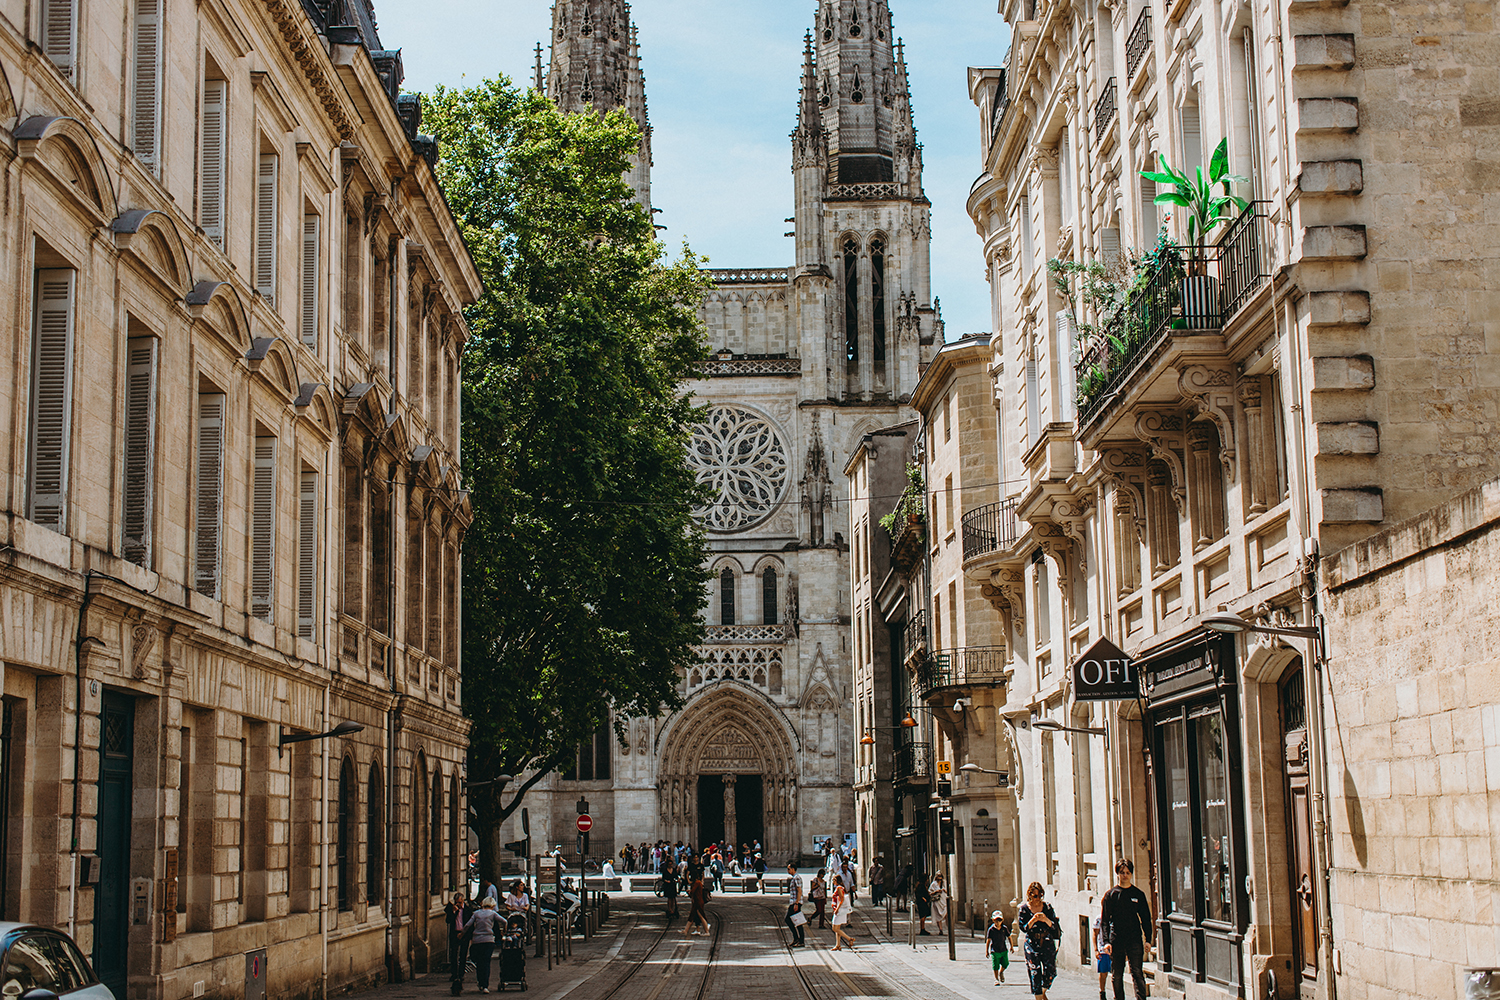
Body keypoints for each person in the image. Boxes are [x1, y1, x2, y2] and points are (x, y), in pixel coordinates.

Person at [1100, 859, 1154, 1000]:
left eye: (1128, 873)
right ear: (1117, 874)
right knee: (1117, 974)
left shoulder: (1138, 894)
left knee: (1137, 972)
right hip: (1117, 938)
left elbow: (1146, 918)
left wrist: (1148, 939)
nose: (1125, 875)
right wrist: (1106, 941)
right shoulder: (1111, 895)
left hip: (1134, 938)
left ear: (1131, 874)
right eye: (1122, 873)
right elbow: (1104, 921)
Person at [1018, 882, 1062, 999]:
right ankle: (1038, 996)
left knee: (1050, 971)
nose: (1037, 899)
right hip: (1032, 943)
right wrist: (1033, 920)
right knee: (1035, 971)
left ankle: (1042, 992)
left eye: (1039, 896)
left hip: (1046, 941)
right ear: (1030, 895)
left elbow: (1054, 926)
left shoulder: (1047, 907)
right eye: (1035, 896)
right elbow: (1023, 928)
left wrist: (1045, 919)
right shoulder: (1024, 909)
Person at [465, 896, 503, 994]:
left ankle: (480, 982)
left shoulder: (476, 913)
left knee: (479, 963)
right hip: (488, 940)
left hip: (477, 940)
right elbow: (504, 921)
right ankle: (485, 985)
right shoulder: (493, 914)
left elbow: (468, 925)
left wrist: (462, 933)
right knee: (486, 963)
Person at [829, 874, 857, 951]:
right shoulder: (838, 888)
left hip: (839, 911)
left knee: (834, 928)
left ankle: (849, 938)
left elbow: (841, 899)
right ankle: (838, 945)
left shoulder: (839, 888)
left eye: (834, 880)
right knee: (837, 928)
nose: (833, 882)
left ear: (837, 880)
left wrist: (837, 909)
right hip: (837, 910)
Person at [444, 891, 468, 976]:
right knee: (453, 954)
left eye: (460, 902)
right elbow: (448, 921)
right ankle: (454, 973)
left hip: (463, 933)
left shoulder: (467, 909)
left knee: (463, 955)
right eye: (456, 902)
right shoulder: (452, 909)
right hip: (455, 932)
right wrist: (454, 912)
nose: (458, 904)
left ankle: (461, 973)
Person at [986, 910, 1011, 985]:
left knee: (1006, 963)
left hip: (1003, 949)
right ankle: (996, 979)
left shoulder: (1004, 928)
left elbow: (1009, 937)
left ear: (1002, 920)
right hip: (995, 950)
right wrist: (987, 951)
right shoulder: (991, 930)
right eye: (996, 920)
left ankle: (1001, 972)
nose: (998, 922)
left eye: (999, 920)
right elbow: (988, 940)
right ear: (993, 920)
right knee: (995, 965)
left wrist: (1011, 946)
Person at [784, 864, 807, 946]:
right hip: (794, 902)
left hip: (795, 903)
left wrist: (796, 903)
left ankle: (799, 940)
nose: (788, 871)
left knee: (795, 921)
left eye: (789, 869)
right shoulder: (794, 878)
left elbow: (799, 890)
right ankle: (797, 939)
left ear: (793, 869)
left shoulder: (796, 877)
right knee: (795, 920)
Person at [1093, 913, 1110, 1000]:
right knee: (1103, 972)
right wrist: (1096, 949)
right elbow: (1095, 934)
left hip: (1114, 949)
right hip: (1103, 949)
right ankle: (1102, 992)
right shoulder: (1099, 918)